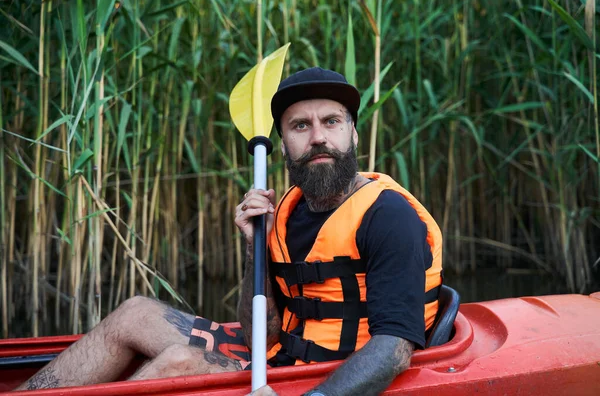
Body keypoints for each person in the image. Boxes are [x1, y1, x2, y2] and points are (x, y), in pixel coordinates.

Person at [15, 67, 443, 396]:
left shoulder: (388, 216)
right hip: (279, 353)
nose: (317, 138)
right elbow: (264, 334)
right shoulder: (286, 211)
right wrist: (255, 248)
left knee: (181, 362)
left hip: (329, 373)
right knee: (134, 313)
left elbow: (395, 349)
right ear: (284, 142)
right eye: (300, 126)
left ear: (352, 131)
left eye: (331, 122)